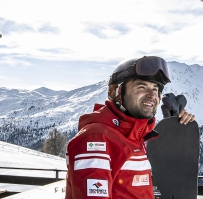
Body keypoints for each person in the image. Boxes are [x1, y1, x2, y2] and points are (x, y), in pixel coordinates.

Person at [64, 56, 195, 199]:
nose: (152, 95)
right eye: (141, 87)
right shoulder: (96, 140)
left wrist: (173, 130)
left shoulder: (137, 140)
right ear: (115, 92)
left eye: (155, 89)